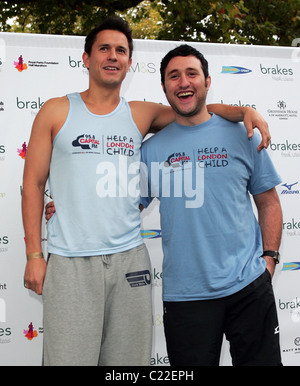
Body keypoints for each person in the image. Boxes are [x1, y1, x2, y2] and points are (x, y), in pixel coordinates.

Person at [22, 17, 271, 367]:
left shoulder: (140, 114)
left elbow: (195, 109)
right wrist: (34, 255)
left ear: (130, 62)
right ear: (86, 58)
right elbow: (32, 185)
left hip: (130, 261)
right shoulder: (56, 110)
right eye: (104, 48)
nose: (113, 56)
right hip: (71, 260)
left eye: (121, 50)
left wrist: (245, 111)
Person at [140, 44, 283, 366]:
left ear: (207, 81)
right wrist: (71, 208)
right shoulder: (151, 151)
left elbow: (269, 201)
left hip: (249, 286)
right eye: (173, 76)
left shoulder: (243, 134)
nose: (183, 82)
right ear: (164, 87)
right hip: (186, 296)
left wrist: (270, 260)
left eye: (192, 73)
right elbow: (124, 209)